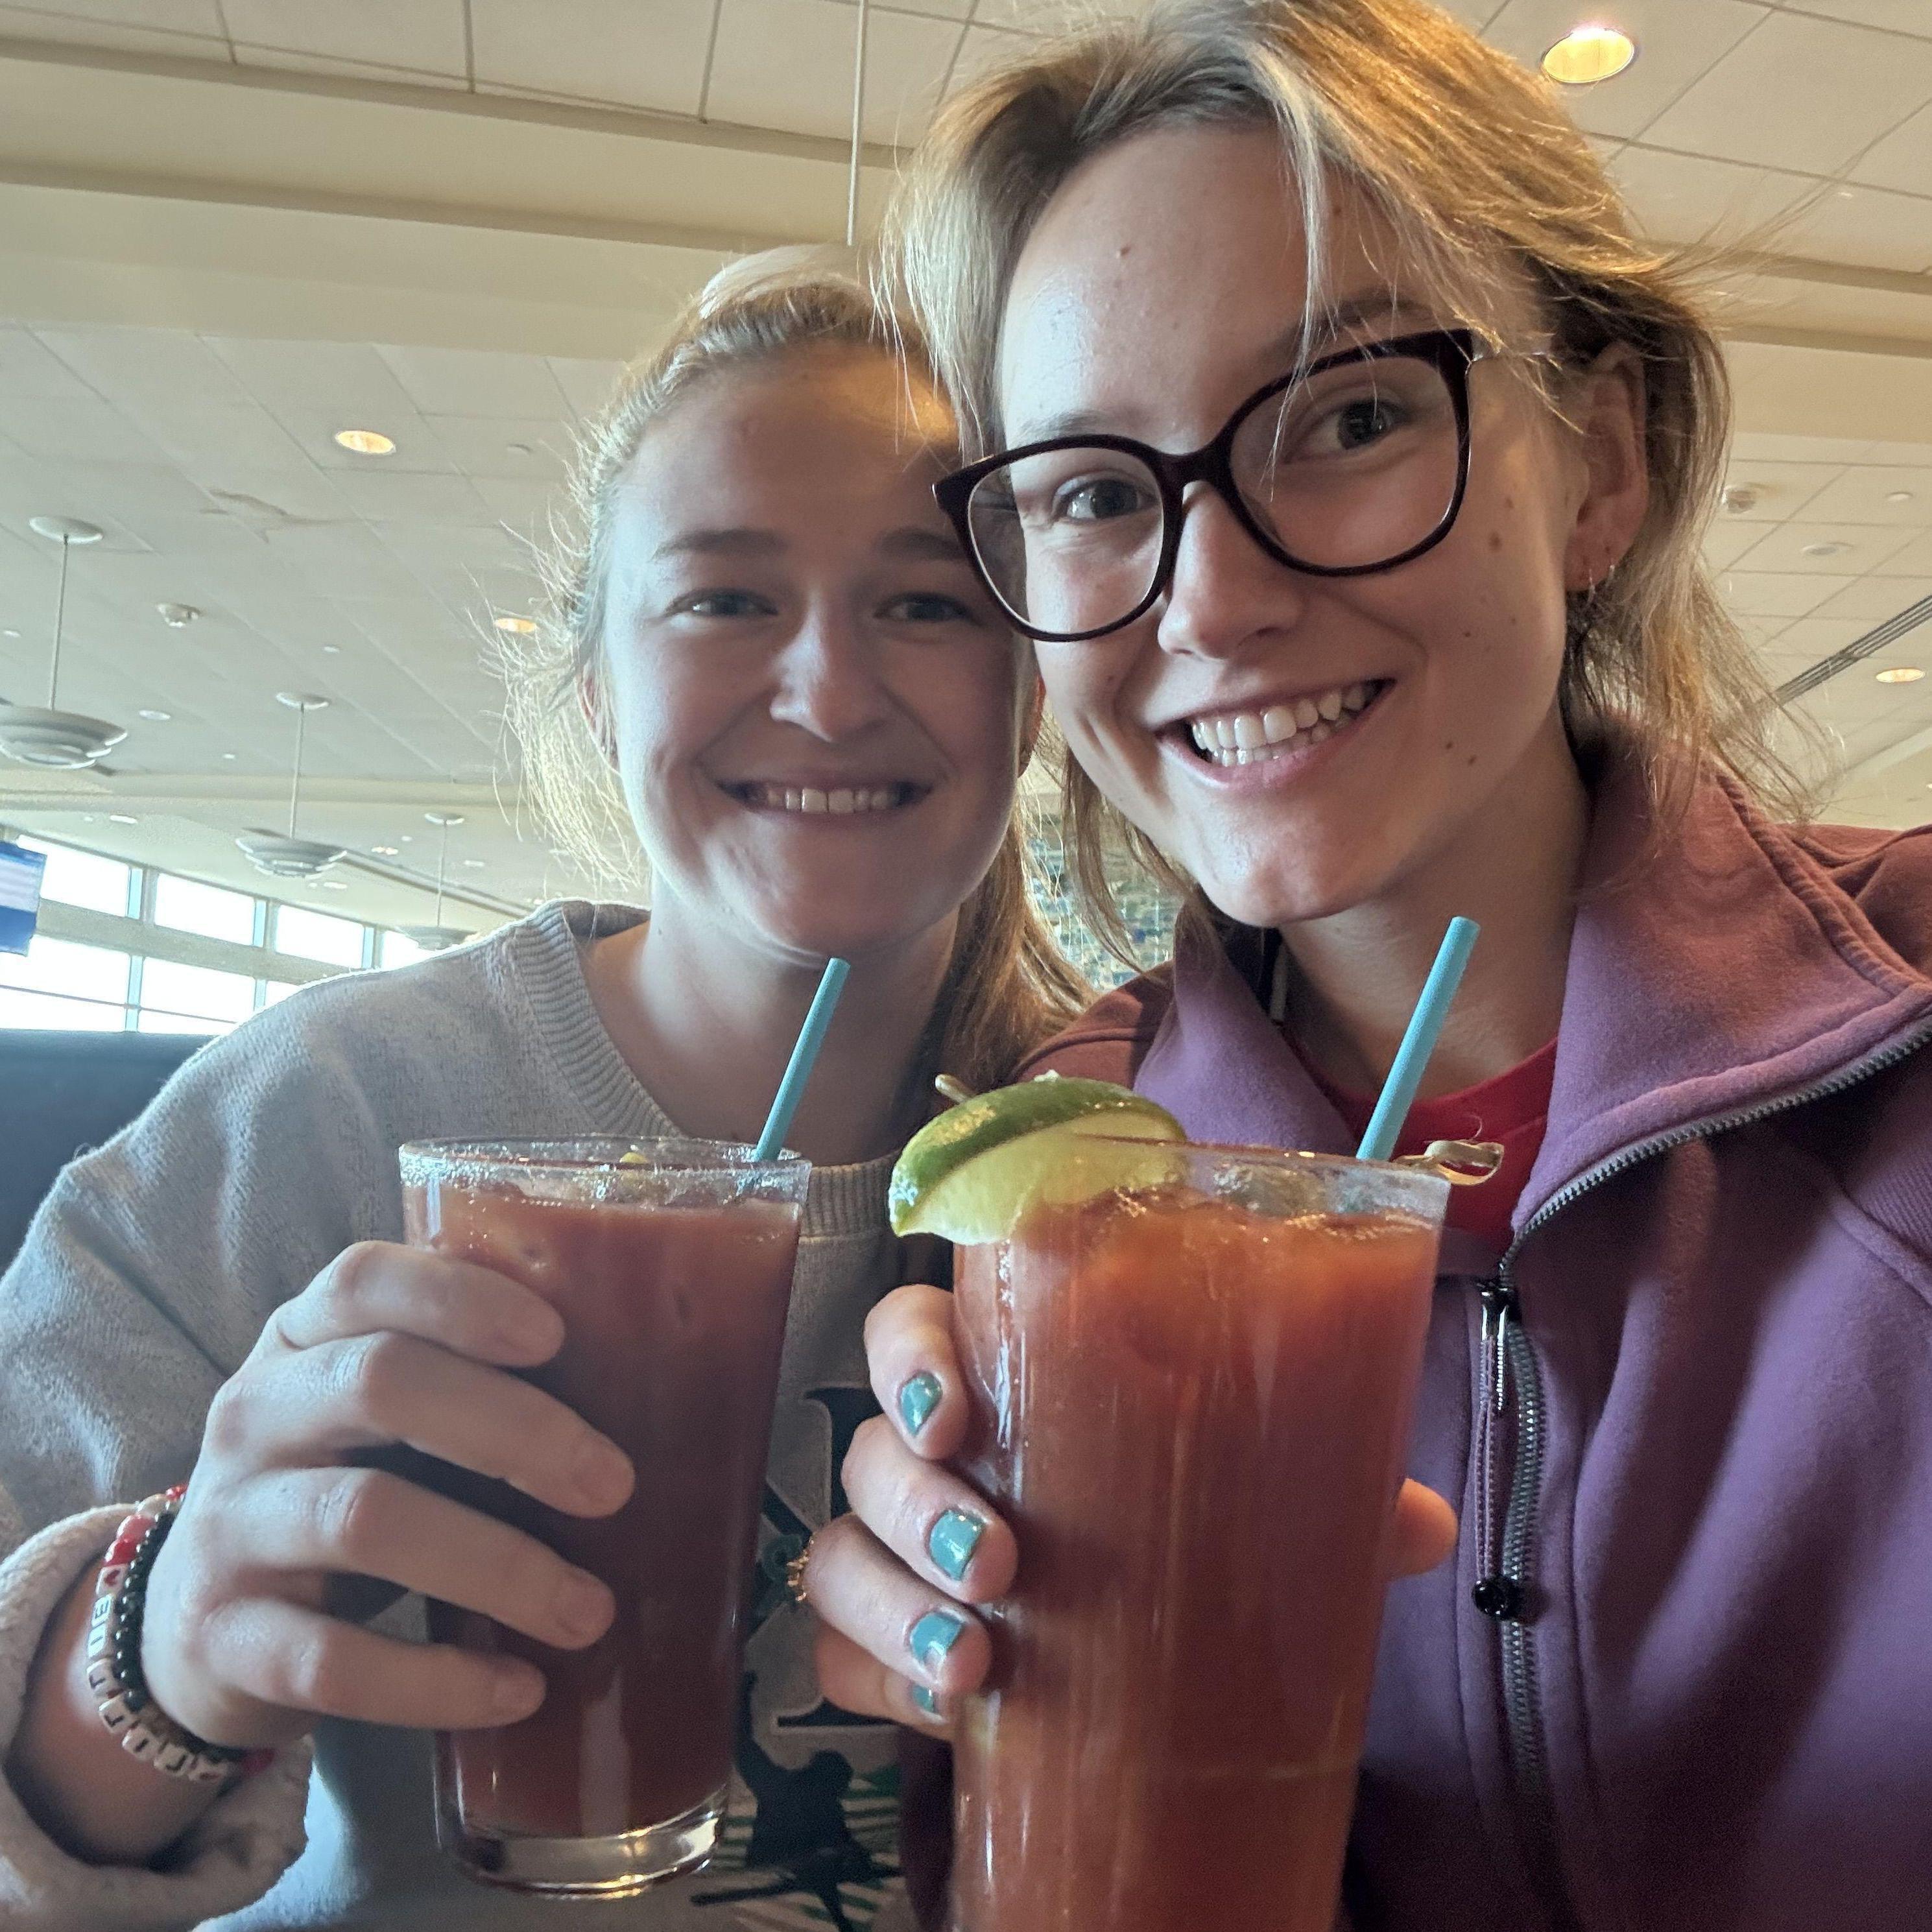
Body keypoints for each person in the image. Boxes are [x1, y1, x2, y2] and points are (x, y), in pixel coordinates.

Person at [803, 4, 1932, 1929]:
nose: (1213, 598)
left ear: (1597, 469)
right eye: (1090, 490)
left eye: (1346, 415)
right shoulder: (1053, 1197)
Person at [0, 254, 1093, 1930]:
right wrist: (159, 1643)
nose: (825, 689)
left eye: (929, 601)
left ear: (1033, 693)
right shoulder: (324, 1111)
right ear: (596, 681)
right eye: (726, 598)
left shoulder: (1121, 1150)